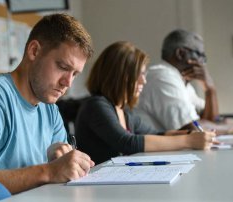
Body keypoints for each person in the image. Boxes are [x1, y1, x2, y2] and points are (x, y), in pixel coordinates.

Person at [0, 13, 95, 194]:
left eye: (75, 74)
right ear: (34, 51)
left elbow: (60, 173)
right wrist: (48, 171)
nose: (68, 83)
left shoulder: (50, 109)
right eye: (63, 67)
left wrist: (62, 160)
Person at [75, 41, 215, 164]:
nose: (143, 81)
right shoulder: (96, 106)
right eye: (138, 75)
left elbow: (157, 134)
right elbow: (128, 143)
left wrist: (190, 134)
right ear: (118, 76)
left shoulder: (123, 111)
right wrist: (189, 142)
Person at [136, 29, 233, 134]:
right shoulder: (162, 76)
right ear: (181, 53)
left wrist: (210, 89)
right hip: (151, 149)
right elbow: (193, 129)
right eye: (200, 55)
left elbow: (212, 120)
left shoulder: (181, 81)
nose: (202, 63)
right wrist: (231, 128)